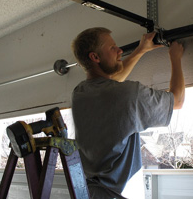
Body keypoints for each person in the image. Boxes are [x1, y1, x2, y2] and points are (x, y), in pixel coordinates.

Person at [71, 27, 185, 199]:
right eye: (112, 48)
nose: (120, 50)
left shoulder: (80, 93)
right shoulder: (128, 94)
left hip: (90, 193)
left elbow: (111, 84)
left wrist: (141, 50)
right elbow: (177, 100)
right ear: (95, 57)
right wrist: (175, 57)